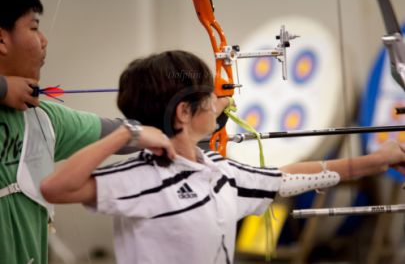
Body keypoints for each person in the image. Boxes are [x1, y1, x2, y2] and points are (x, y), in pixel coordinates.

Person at [41, 50, 405, 264]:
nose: (219, 101)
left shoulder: (221, 172)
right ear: (184, 113)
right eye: (209, 94)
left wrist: (382, 157)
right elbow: (57, 188)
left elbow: (287, 177)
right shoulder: (142, 176)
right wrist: (127, 134)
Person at [0, 0, 175, 263]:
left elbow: (115, 133)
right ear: (2, 40)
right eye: (34, 28)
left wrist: (185, 120)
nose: (44, 40)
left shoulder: (43, 119)